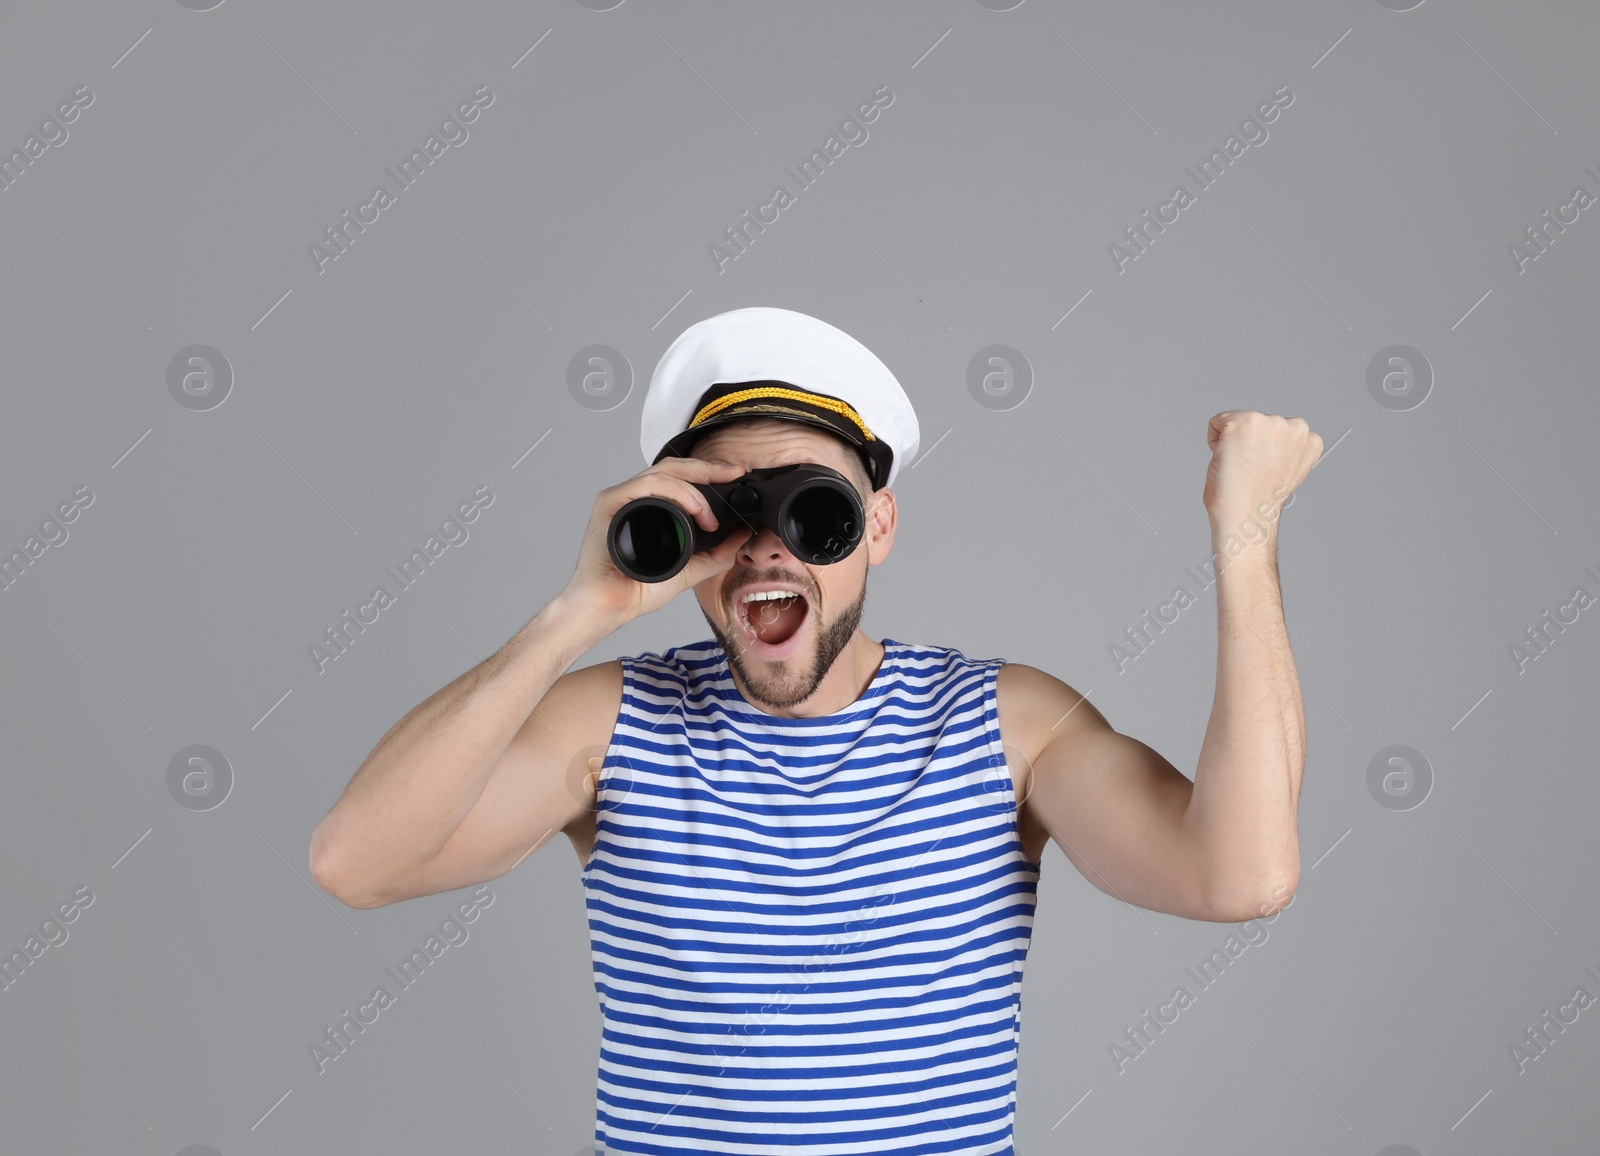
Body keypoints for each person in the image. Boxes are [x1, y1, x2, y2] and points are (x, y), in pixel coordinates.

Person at [309, 306, 1322, 1155]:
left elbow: (1240, 875)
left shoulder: (1005, 725)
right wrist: (580, 611)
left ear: (876, 525)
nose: (762, 553)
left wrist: (1245, 534)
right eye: (722, 513)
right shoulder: (612, 721)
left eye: (810, 511)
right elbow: (357, 862)